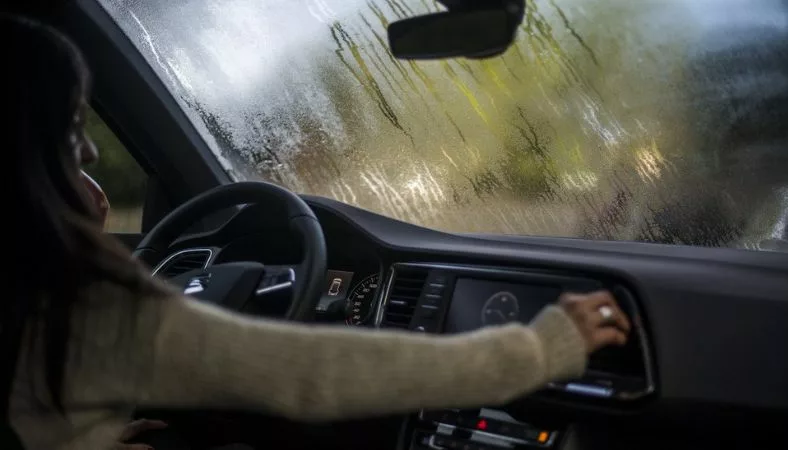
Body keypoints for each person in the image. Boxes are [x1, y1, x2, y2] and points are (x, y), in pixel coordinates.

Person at [2, 15, 631, 450]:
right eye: (72, 127)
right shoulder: (90, 316)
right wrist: (541, 350)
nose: (87, 151)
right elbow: (313, 375)